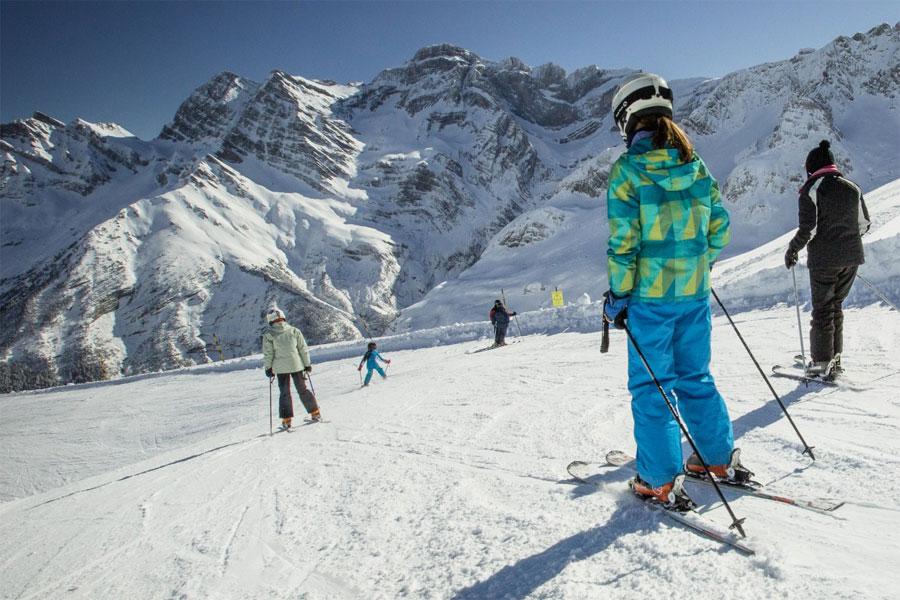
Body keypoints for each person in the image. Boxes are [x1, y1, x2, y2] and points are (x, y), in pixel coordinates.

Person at [604, 72, 752, 509]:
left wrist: (618, 296)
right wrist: (695, 261)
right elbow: (720, 227)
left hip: (649, 300)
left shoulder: (627, 171)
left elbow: (623, 243)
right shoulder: (693, 163)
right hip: (693, 295)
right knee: (695, 378)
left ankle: (658, 479)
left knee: (653, 388)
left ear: (627, 119)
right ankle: (717, 460)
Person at [784, 140, 870, 379]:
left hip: (824, 260)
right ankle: (835, 359)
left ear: (812, 168)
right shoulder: (853, 188)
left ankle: (822, 362)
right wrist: (846, 245)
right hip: (852, 258)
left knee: (822, 309)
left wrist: (792, 250)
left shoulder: (812, 189)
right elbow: (863, 224)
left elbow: (808, 229)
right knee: (836, 306)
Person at [262, 308, 321, 428]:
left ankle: (287, 420)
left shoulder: (269, 335)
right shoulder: (294, 331)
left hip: (281, 369)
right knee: (302, 389)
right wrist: (307, 364)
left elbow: (268, 353)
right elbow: (303, 349)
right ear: (283, 317)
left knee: (285, 393)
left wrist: (268, 368)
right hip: (297, 365)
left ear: (270, 320)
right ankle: (315, 413)